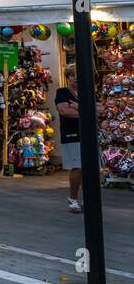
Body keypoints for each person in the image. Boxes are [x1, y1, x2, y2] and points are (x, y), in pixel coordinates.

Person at [55, 65, 87, 214]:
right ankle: (72, 198)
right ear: (67, 77)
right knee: (78, 166)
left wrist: (77, 106)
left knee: (90, 168)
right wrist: (87, 111)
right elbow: (64, 111)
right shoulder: (62, 92)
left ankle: (87, 198)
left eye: (77, 74)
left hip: (89, 134)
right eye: (72, 75)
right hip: (71, 134)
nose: (75, 77)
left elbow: (101, 109)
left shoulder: (87, 92)